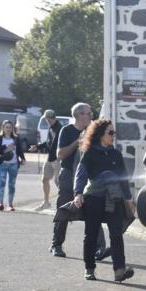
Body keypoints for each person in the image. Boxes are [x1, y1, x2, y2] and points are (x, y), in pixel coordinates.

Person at [73, 119, 135, 282]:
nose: (113, 136)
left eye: (114, 132)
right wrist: (78, 193)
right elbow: (81, 174)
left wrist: (129, 199)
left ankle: (119, 271)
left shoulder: (116, 154)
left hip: (114, 198)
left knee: (116, 234)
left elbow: (123, 178)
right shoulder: (90, 152)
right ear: (100, 134)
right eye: (110, 132)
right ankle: (90, 268)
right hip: (94, 198)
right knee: (91, 234)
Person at [50, 102, 106, 258]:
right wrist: (78, 142)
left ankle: (99, 248)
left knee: (94, 211)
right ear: (79, 115)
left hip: (88, 178)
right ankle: (56, 244)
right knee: (64, 209)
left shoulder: (94, 131)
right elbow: (60, 155)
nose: (91, 116)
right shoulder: (66, 131)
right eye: (89, 113)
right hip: (68, 175)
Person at [31, 109, 62, 210]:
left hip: (57, 159)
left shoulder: (60, 128)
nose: (48, 120)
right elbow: (48, 142)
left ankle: (64, 202)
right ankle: (46, 202)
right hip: (50, 157)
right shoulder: (51, 128)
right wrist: (37, 146)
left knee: (58, 182)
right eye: (47, 119)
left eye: (49, 118)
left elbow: (56, 145)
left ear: (54, 118)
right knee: (44, 179)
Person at [0, 120, 26, 211]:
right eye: (6, 127)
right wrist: (6, 148)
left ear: (12, 129)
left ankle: (10, 204)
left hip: (14, 164)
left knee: (12, 184)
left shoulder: (15, 138)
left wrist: (23, 158)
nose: (8, 129)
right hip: (2, 164)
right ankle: (0, 203)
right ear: (3, 128)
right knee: (2, 183)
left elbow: (19, 150)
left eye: (10, 127)